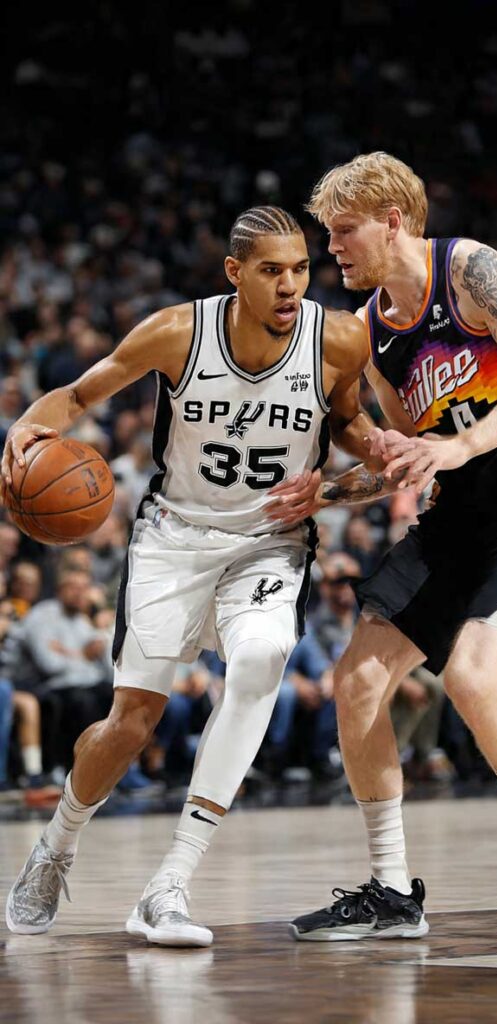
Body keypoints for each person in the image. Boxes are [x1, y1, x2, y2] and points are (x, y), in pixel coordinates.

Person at [1, 205, 382, 947]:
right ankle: (57, 842)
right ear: (235, 273)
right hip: (173, 538)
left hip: (270, 544)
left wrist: (377, 456)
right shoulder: (178, 330)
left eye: (301, 269)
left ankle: (169, 882)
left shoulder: (339, 337)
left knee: (263, 659)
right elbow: (78, 397)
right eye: (272, 270)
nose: (290, 286)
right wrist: (28, 424)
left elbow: (346, 426)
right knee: (131, 724)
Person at [267, 153, 497, 940]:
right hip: (458, 514)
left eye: (343, 231)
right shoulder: (371, 333)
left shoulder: (469, 269)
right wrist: (326, 492)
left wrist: (461, 448)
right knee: (357, 680)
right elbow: (410, 454)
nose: (331, 248)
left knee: (474, 680)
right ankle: (392, 889)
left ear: (393, 220)